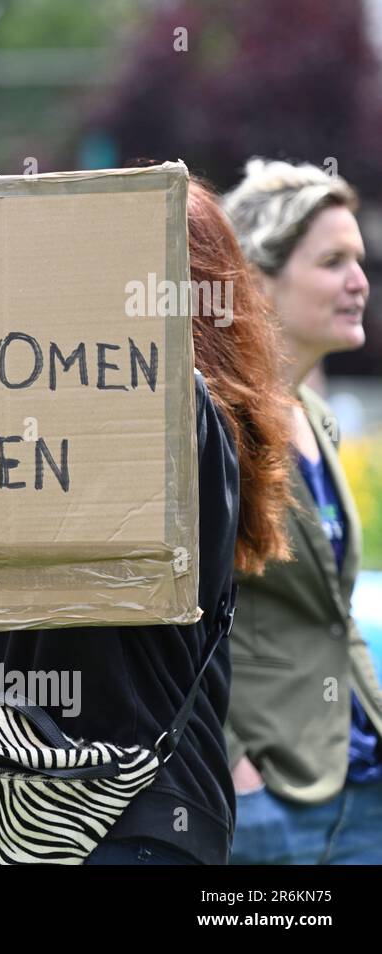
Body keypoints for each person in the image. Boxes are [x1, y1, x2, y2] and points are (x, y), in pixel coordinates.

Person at [0, 142, 291, 864]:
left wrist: (11, 208)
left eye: (109, 246)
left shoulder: (184, 416)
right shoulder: (31, 409)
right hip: (13, 807)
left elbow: (122, 359)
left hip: (133, 824)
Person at [222, 158, 382, 864]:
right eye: (333, 262)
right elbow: (168, 614)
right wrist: (235, 766)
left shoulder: (315, 417)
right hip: (268, 803)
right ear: (258, 279)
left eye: (361, 261)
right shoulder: (210, 423)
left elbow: (331, 615)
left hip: (360, 784)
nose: (360, 283)